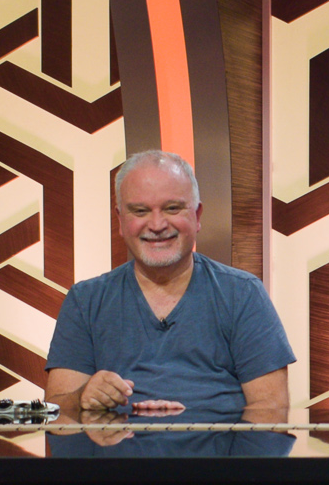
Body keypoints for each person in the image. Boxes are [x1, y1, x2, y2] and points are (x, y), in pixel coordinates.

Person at [45, 149, 293, 417]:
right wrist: (83, 397)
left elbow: (272, 411)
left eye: (172, 208)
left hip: (218, 444)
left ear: (197, 216)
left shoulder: (243, 294)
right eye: (140, 211)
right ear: (120, 221)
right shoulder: (85, 300)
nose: (157, 225)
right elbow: (56, 410)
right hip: (117, 444)